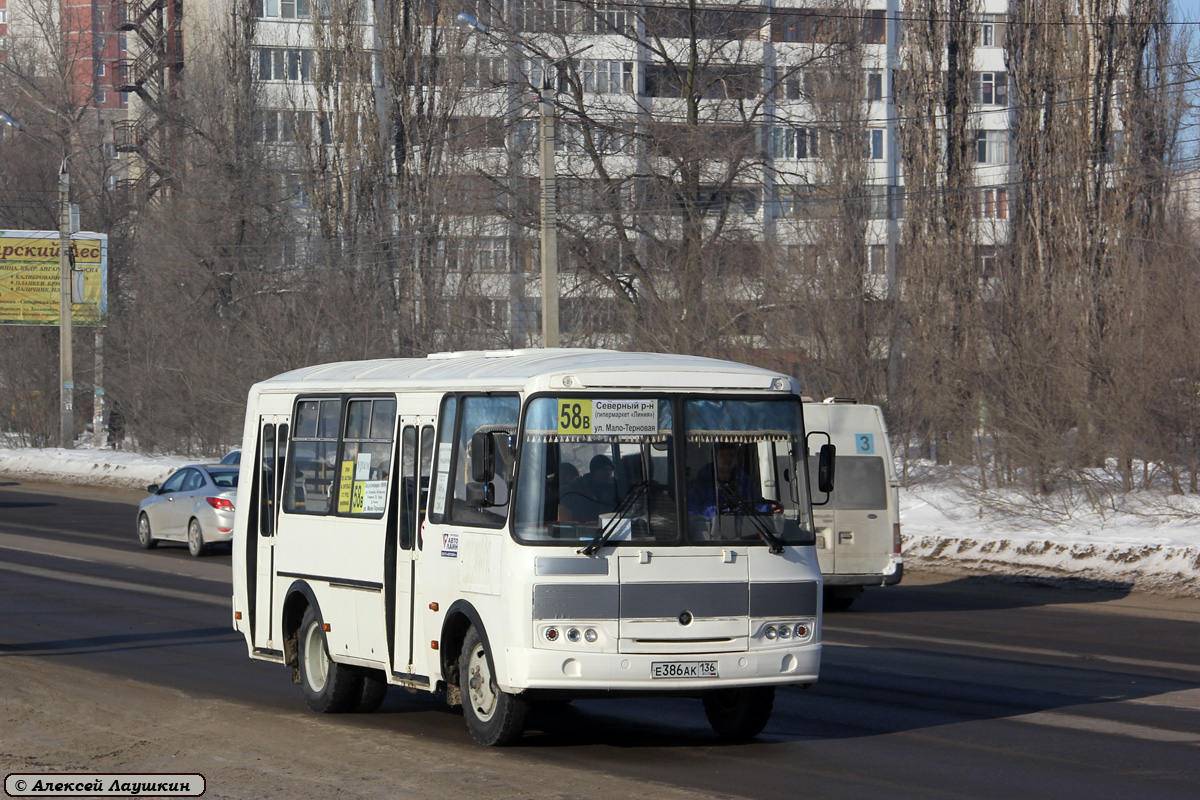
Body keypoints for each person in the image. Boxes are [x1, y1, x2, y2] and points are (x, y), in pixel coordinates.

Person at [687, 443, 780, 521]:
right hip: (711, 538)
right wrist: (717, 516)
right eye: (723, 455)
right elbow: (693, 514)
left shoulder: (745, 482)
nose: (728, 459)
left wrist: (771, 507)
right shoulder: (700, 485)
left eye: (731, 455)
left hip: (744, 534)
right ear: (714, 457)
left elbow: (757, 505)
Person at [559, 454, 617, 524]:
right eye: (603, 469)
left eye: (610, 469)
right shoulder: (578, 490)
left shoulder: (615, 489)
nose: (608, 473)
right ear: (594, 471)